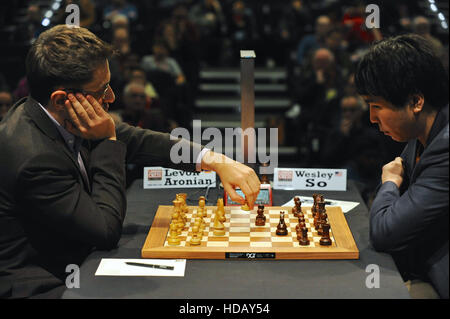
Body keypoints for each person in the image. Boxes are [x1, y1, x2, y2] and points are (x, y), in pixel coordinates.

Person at [0, 25, 260, 299]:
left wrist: (214, 160)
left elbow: (138, 139)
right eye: (102, 91)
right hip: (42, 284)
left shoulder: (54, 115)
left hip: (75, 259)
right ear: (61, 99)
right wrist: (106, 142)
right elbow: (105, 229)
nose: (111, 98)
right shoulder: (33, 158)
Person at [355, 34, 449, 299]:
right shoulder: (421, 133)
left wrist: (389, 182)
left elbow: (385, 233)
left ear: (416, 102)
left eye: (377, 106)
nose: (372, 118)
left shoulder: (445, 147)